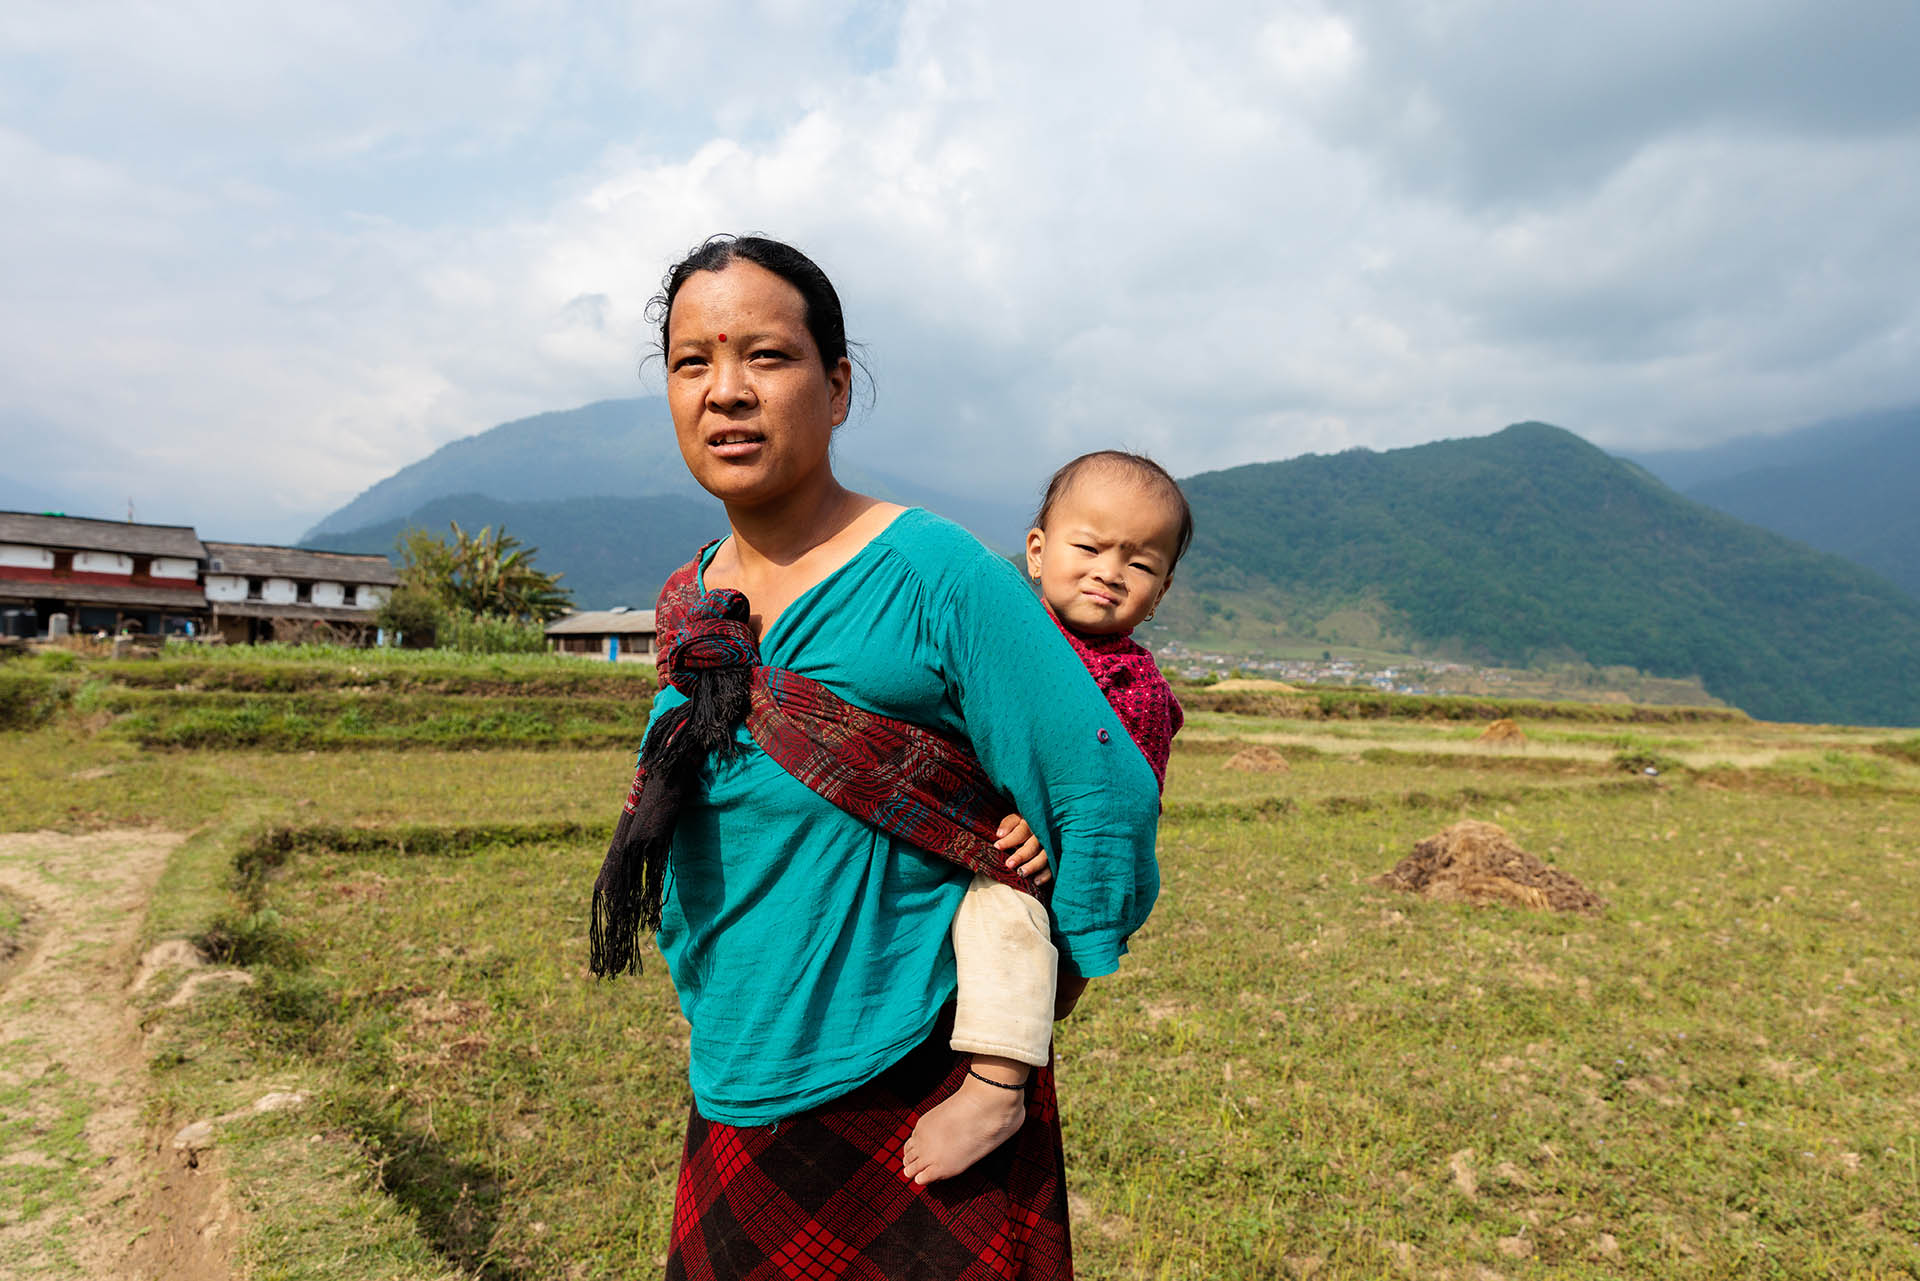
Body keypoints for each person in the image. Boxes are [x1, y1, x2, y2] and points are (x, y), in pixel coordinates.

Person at [592, 235, 1161, 1280]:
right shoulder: (697, 601)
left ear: (838, 385)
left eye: (766, 356)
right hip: (739, 1070)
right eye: (691, 363)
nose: (725, 392)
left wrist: (1014, 1038)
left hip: (919, 1096)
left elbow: (1101, 789)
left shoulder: (934, 575)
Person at [902, 450, 1191, 1185]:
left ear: (1158, 595)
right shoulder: (990, 639)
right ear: (1037, 552)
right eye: (1088, 546)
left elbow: (1120, 802)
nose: (1109, 571)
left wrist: (1047, 828)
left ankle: (997, 1089)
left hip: (1053, 873)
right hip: (958, 839)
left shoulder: (1136, 690)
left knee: (1006, 915)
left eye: (1141, 563)